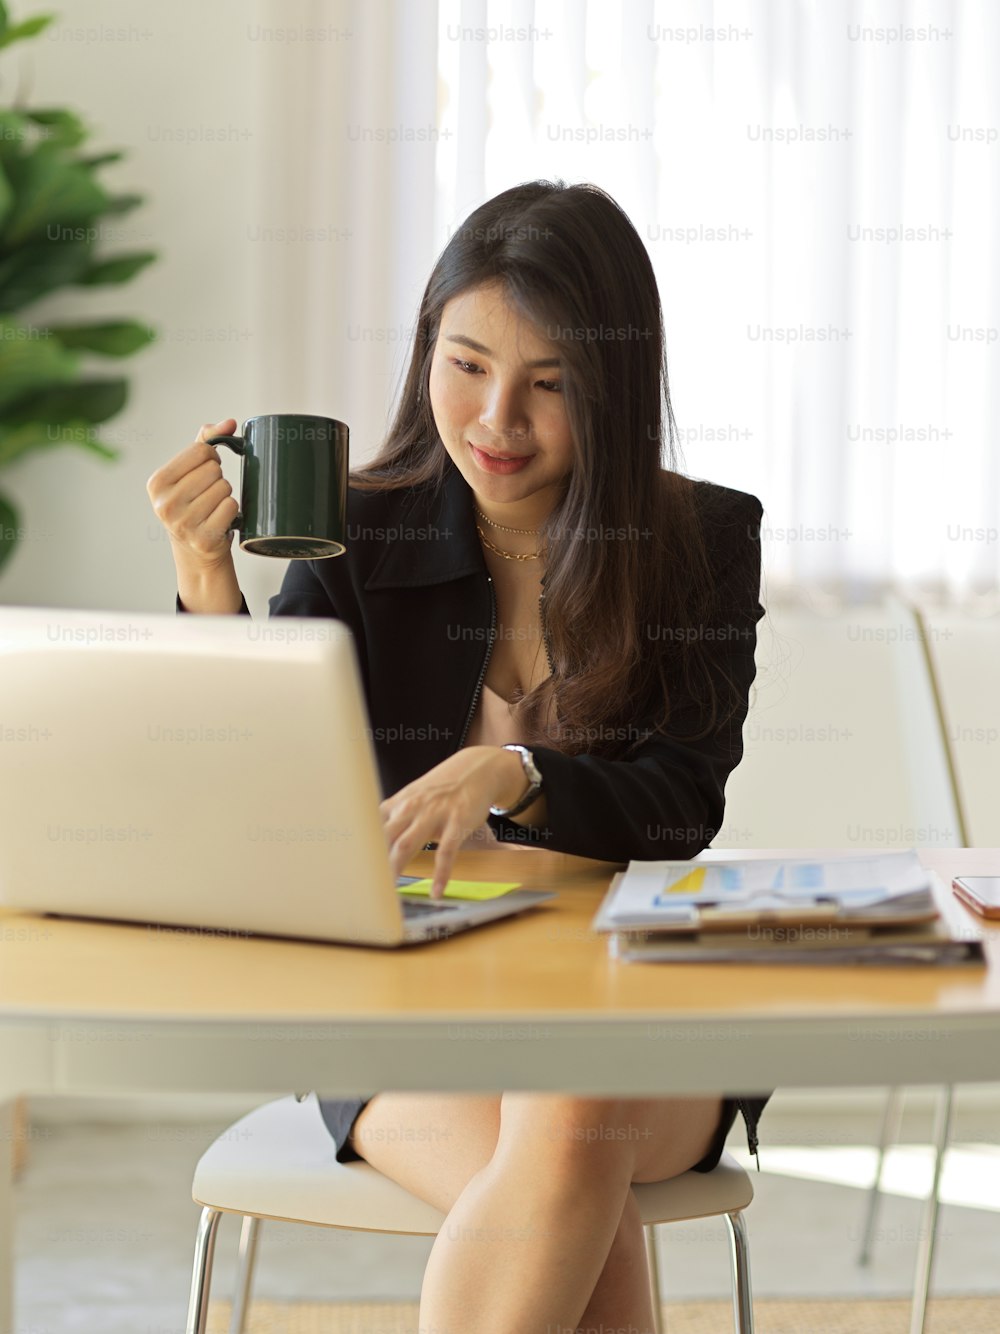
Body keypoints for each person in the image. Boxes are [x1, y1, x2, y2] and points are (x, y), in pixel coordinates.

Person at [147, 179, 770, 1334]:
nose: (497, 421)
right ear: (425, 346)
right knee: (573, 1199)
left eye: (551, 386)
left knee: (573, 1115)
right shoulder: (351, 529)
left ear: (618, 392)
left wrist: (519, 776)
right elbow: (275, 803)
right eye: (467, 363)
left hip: (635, 1008)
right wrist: (205, 586)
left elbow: (677, 807)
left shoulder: (699, 543)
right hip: (401, 1011)